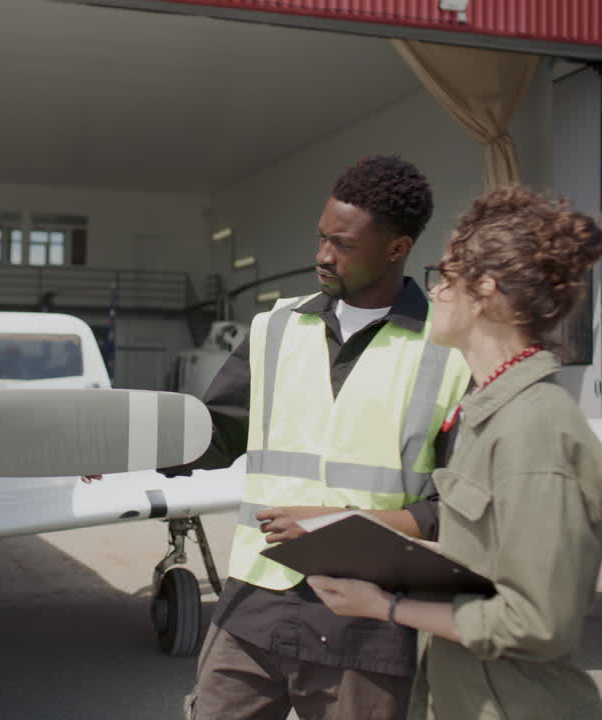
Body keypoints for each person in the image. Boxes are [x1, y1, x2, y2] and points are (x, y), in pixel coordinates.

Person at [170, 156, 473, 720]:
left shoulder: (448, 352)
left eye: (343, 244)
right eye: (321, 238)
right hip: (256, 596)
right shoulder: (276, 327)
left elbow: (456, 506)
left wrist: (341, 523)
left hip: (368, 614)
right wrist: (126, 450)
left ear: (396, 247)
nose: (323, 256)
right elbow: (213, 433)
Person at [306, 186, 602, 719]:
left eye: (445, 278)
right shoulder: (484, 410)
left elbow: (538, 623)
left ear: (485, 291)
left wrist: (388, 607)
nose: (436, 293)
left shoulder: (533, 428)